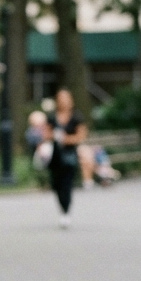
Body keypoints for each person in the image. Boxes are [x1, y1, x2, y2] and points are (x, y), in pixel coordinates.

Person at [48, 88, 87, 228]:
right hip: (55, 156)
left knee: (67, 184)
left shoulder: (76, 117)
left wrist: (67, 139)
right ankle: (62, 207)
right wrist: (53, 136)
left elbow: (81, 135)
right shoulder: (52, 116)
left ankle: (66, 210)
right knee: (56, 184)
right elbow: (45, 133)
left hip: (70, 155)